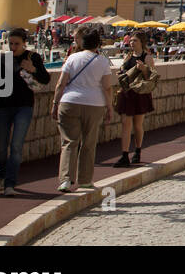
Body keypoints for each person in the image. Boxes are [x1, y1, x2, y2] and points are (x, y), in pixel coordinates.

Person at [50, 29, 115, 192]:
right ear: (98, 44)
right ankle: (85, 180)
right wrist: (110, 107)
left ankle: (65, 179)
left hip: (70, 101)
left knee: (69, 142)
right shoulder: (102, 62)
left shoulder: (72, 58)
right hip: (94, 103)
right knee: (89, 142)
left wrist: (55, 103)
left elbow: (61, 83)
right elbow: (107, 88)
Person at [0, 28, 49, 195]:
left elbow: (45, 79)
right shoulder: (4, 59)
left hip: (24, 106)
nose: (13, 47)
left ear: (24, 43)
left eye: (16, 44)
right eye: (10, 43)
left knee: (16, 145)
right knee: (1, 147)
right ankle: (2, 176)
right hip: (3, 105)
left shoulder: (33, 57)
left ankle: (10, 183)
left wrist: (32, 69)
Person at [113, 31, 155, 167]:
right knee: (126, 123)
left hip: (140, 93)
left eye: (135, 41)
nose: (132, 43)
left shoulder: (147, 57)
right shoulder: (128, 56)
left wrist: (143, 69)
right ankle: (124, 154)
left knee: (137, 124)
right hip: (127, 93)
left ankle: (137, 150)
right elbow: (123, 71)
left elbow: (152, 77)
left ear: (141, 42)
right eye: (131, 41)